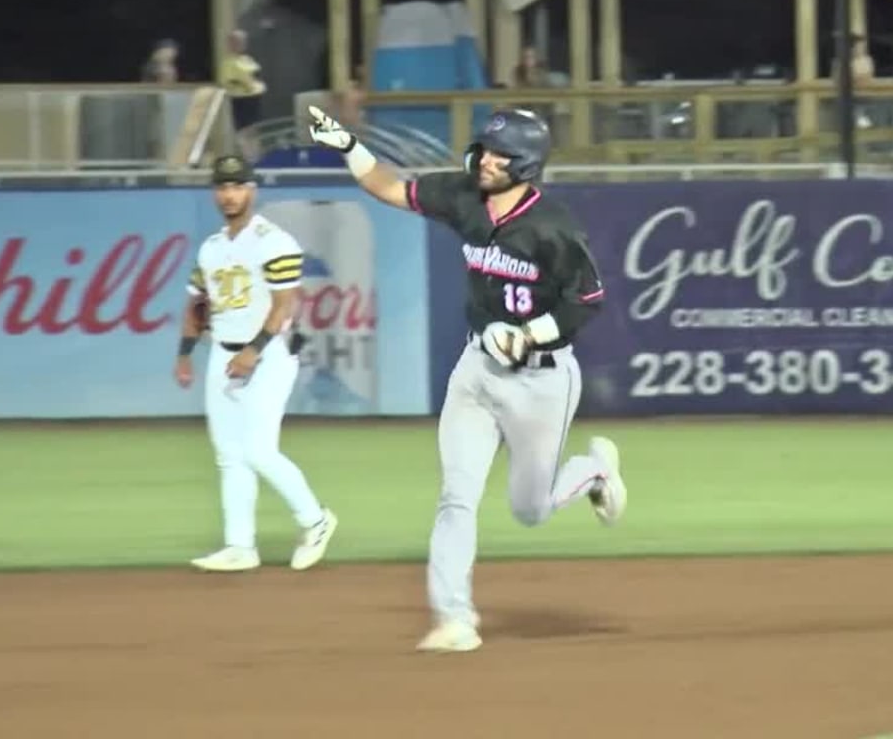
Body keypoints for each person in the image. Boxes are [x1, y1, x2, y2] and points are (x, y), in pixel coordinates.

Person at [306, 104, 627, 654]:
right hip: (477, 369)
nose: (486, 158)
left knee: (530, 510)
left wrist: (529, 335)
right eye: (486, 146)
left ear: (525, 164)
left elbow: (588, 300)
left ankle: (593, 471)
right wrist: (347, 145)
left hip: (541, 380)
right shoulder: (463, 197)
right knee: (456, 496)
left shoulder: (554, 226)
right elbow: (391, 189)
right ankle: (454, 617)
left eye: (501, 154)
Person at [175, 154, 339, 573]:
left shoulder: (273, 240)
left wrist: (254, 350)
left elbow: (286, 304)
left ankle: (316, 520)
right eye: (223, 187)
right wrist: (184, 353)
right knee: (229, 454)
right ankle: (240, 546)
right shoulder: (211, 247)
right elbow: (198, 302)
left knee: (259, 451)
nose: (229, 195)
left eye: (237, 186)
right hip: (222, 352)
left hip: (267, 355)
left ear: (252, 189)